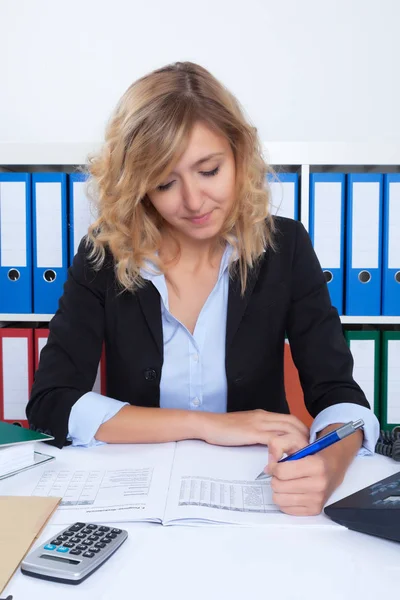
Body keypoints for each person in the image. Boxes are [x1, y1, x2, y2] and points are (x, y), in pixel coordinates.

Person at [27, 61, 379, 516]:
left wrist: (332, 462)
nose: (193, 202)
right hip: (141, 502)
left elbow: (339, 395)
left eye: (209, 170)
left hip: (255, 496)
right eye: (164, 182)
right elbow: (52, 402)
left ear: (238, 154)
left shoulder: (286, 247)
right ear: (139, 187)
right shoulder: (104, 256)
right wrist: (207, 425)